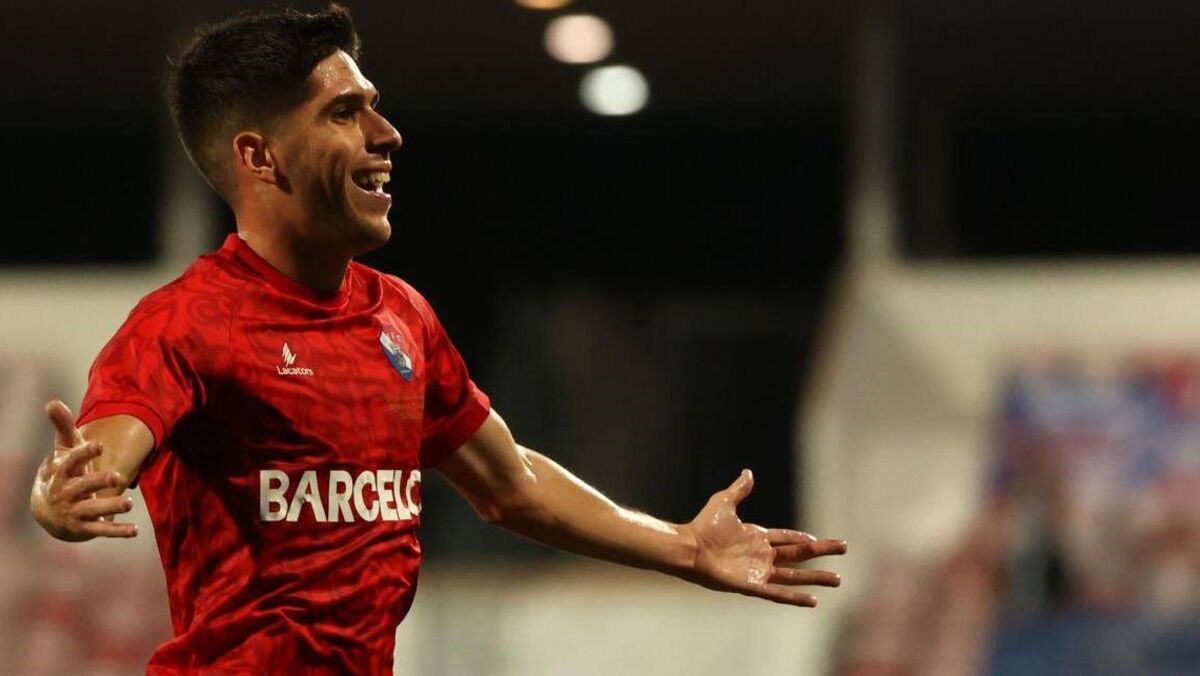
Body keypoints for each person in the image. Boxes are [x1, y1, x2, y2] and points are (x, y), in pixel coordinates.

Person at [28, 4, 847, 673]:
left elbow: (511, 482)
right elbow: (102, 453)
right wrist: (59, 496)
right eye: (344, 113)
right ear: (260, 156)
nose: (386, 134)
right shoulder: (185, 324)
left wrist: (684, 547)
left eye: (373, 105)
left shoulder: (401, 318)